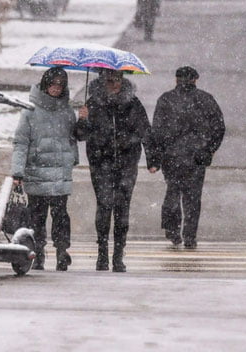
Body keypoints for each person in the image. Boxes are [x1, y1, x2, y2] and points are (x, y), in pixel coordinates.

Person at [11, 67, 88, 271]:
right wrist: (17, 171)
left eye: (60, 85)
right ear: (46, 84)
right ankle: (39, 253)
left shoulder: (66, 111)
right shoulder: (30, 111)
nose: (56, 88)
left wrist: (83, 120)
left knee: (61, 215)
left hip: (60, 172)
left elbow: (77, 136)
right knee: (38, 215)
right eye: (53, 84)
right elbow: (20, 142)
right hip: (37, 171)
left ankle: (62, 251)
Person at [80, 69, 151, 272]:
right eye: (110, 81)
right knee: (104, 205)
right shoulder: (92, 103)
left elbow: (145, 130)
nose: (114, 84)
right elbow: (80, 135)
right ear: (103, 82)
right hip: (100, 162)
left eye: (118, 80)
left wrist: (152, 160)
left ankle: (118, 255)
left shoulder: (133, 104)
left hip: (127, 163)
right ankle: (102, 252)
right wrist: (83, 119)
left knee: (122, 208)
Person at [147, 66, 225, 249]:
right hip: (196, 156)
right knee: (192, 198)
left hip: (171, 156)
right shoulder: (206, 99)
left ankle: (173, 230)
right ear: (195, 79)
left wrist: (155, 159)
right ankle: (190, 235)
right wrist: (209, 149)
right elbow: (219, 127)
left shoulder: (166, 99)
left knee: (173, 192)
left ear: (176, 79)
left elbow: (156, 131)